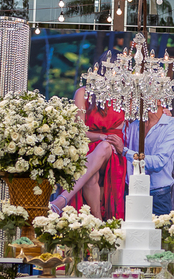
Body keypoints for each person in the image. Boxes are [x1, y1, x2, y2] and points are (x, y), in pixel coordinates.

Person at [50, 85, 127, 219]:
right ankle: (98, 220)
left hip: (114, 150)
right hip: (88, 147)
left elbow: (141, 117)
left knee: (104, 146)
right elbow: (79, 131)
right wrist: (100, 136)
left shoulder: (125, 93)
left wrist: (165, 111)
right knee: (91, 175)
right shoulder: (83, 93)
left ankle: (62, 199)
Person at [123, 103, 174, 215]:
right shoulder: (134, 125)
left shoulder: (172, 126)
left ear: (160, 100)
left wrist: (126, 152)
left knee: (160, 227)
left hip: (158, 196)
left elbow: (158, 162)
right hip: (131, 193)